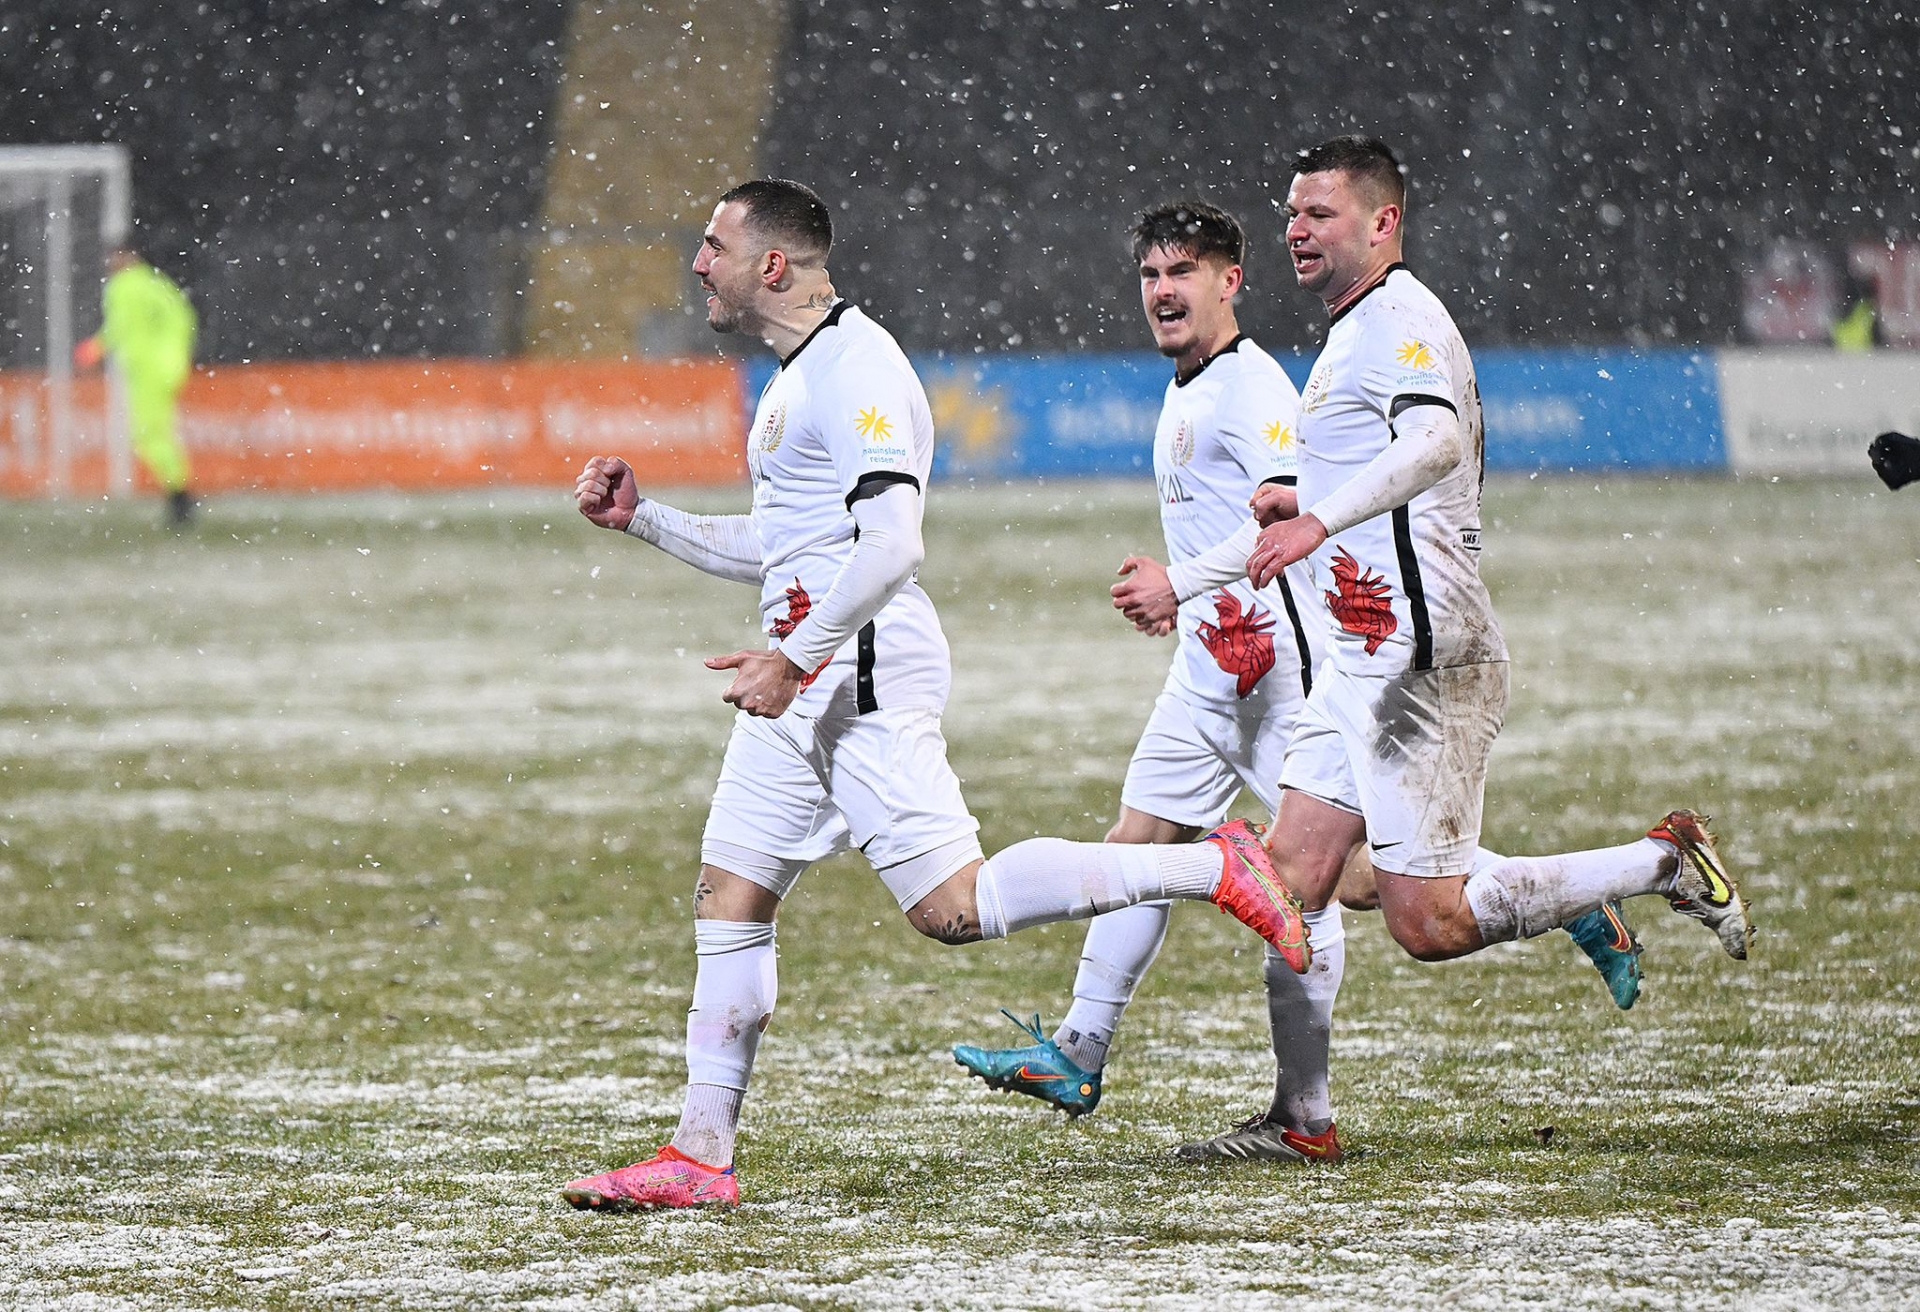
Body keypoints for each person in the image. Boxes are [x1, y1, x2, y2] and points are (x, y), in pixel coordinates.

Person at [559, 178, 1314, 1213]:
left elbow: (892, 546)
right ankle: (700, 1154)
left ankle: (1212, 865)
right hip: (805, 677)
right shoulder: (794, 377)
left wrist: (797, 659)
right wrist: (647, 519)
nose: (697, 263)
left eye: (713, 245)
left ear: (772, 265)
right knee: (729, 896)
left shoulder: (857, 367)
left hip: (855, 670)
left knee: (954, 909)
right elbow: (784, 546)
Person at [950, 203, 1646, 1162]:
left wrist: (1199, 592)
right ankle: (1080, 1049)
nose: (1162, 291)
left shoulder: (1251, 390)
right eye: (1151, 274)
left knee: (1338, 883)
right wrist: (1190, 597)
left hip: (1276, 672)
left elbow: (1301, 518)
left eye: (1183, 272)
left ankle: (1545, 913)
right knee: (1139, 842)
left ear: (1230, 282)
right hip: (1207, 675)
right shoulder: (1189, 386)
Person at [1182, 134, 1753, 1156]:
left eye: (1320, 214)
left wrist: (1315, 522)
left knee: (1428, 924)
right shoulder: (1354, 330)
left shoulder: (1398, 317)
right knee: (1290, 882)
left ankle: (1662, 862)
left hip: (1427, 661)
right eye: (1292, 212)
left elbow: (1435, 441)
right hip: (1364, 657)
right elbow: (1389, 472)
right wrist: (1303, 499)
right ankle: (1301, 1121)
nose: (1296, 230)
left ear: (1383, 222)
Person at [75, 245, 198, 525]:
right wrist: (177, 355)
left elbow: (121, 326)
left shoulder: (124, 286)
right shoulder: (156, 282)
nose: (111, 262)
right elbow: (184, 317)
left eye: (115, 255)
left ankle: (180, 497)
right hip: (169, 368)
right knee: (158, 433)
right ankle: (179, 498)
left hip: (147, 369)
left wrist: (94, 349)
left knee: (148, 434)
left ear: (128, 257)